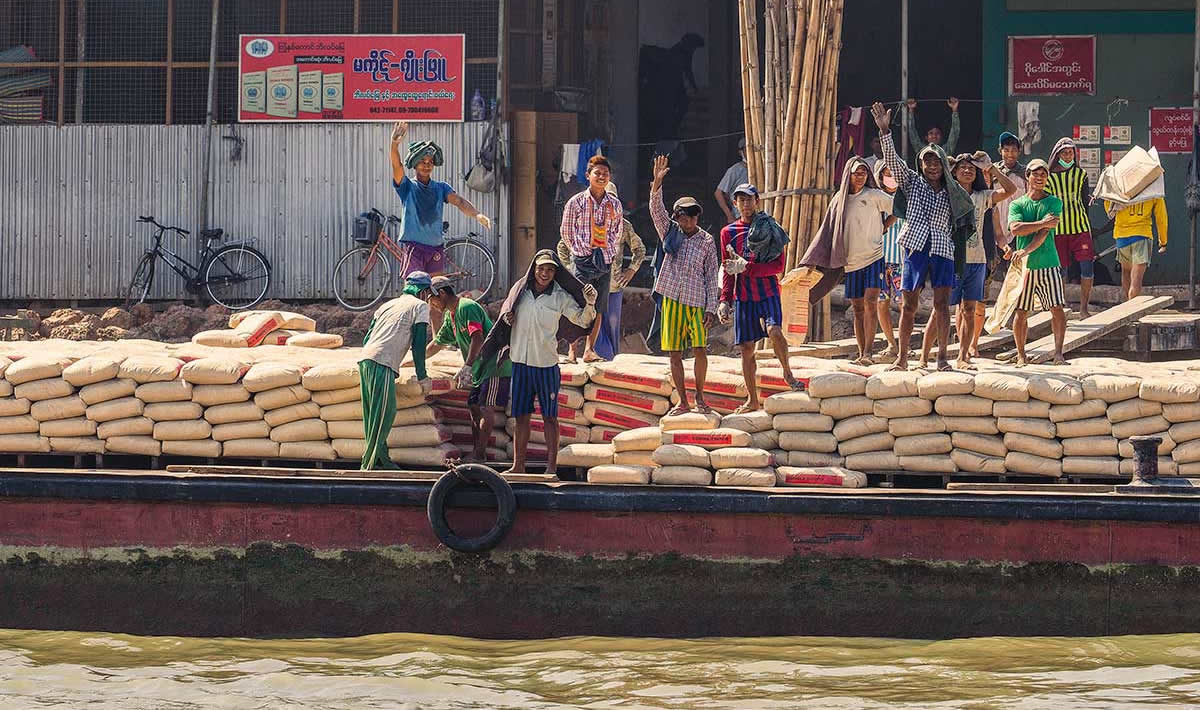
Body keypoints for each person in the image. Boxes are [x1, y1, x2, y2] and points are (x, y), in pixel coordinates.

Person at [871, 101, 976, 372]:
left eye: (936, 161)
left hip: (942, 248)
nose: (932, 166)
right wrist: (885, 132)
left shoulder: (953, 192)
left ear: (943, 164)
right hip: (915, 246)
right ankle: (902, 358)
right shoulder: (912, 182)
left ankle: (942, 358)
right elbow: (893, 162)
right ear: (921, 164)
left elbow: (966, 216)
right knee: (909, 305)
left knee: (942, 305)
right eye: (927, 161)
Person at [499, 250, 597, 475]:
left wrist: (590, 304)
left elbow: (582, 320)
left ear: (555, 273)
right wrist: (507, 318)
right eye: (541, 268)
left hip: (546, 366)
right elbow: (506, 310)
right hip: (520, 363)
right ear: (533, 269)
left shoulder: (560, 297)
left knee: (550, 418)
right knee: (521, 417)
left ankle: (551, 467)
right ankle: (518, 466)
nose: (545, 273)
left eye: (550, 270)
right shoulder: (520, 292)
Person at [917, 153, 1017, 369]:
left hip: (977, 259)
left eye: (971, 168)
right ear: (954, 172)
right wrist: (945, 165)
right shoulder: (947, 193)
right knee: (940, 308)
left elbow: (1011, 190)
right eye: (962, 167)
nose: (967, 170)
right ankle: (924, 357)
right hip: (951, 258)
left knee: (969, 309)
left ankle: (963, 357)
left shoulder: (983, 196)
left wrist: (991, 168)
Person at [800, 157, 895, 365]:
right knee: (858, 309)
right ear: (848, 175)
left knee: (871, 302)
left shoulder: (873, 195)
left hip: (874, 257)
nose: (860, 177)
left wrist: (884, 226)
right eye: (856, 173)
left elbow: (899, 208)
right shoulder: (838, 200)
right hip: (851, 262)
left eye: (863, 173)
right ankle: (862, 353)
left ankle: (868, 353)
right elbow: (826, 231)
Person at [717, 183, 804, 411]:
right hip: (744, 296)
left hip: (767, 291)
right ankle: (752, 400)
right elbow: (728, 269)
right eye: (741, 200)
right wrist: (725, 300)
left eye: (749, 199)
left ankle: (787, 372)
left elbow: (778, 266)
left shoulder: (770, 227)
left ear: (757, 201)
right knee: (747, 349)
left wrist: (748, 267)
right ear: (735, 203)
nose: (746, 204)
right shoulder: (728, 233)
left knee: (774, 331)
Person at [649, 154, 721, 415]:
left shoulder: (706, 241)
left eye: (692, 216)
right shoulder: (669, 232)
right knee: (675, 353)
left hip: (696, 303)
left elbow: (711, 276)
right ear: (677, 218)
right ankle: (683, 400)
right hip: (671, 299)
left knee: (700, 349)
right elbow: (656, 210)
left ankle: (700, 396)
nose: (688, 221)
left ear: (697, 217)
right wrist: (657, 183)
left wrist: (711, 307)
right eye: (683, 217)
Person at [388, 121, 491, 278]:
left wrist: (477, 214)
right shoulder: (407, 187)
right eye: (422, 162)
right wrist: (394, 145)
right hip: (414, 248)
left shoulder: (440, 188)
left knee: (437, 288)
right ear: (415, 164)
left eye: (430, 162)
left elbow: (460, 202)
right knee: (414, 288)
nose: (427, 165)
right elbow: (397, 167)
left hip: (436, 248)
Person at [424, 277, 511, 462]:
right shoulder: (451, 315)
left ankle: (479, 455)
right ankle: (478, 451)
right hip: (479, 369)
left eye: (432, 300)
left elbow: (477, 337)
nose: (432, 305)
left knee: (485, 407)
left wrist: (468, 366)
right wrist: (414, 360)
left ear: (442, 293)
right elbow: (438, 343)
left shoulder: (467, 307)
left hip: (494, 365)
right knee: (473, 406)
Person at [558, 181, 646, 360]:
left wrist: (631, 270)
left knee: (611, 324)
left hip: (613, 284)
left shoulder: (623, 226)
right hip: (586, 279)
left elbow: (639, 249)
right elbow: (562, 245)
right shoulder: (584, 221)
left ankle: (608, 358)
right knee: (579, 313)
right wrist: (571, 268)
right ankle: (575, 352)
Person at [357, 272, 435, 470]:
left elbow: (367, 337)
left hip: (366, 359)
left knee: (373, 415)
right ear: (423, 291)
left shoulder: (387, 305)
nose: (428, 298)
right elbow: (419, 344)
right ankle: (368, 465)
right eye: (428, 293)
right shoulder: (420, 306)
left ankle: (382, 459)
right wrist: (423, 376)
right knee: (385, 413)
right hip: (382, 363)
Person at [560, 154, 624, 362]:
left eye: (605, 173)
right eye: (597, 173)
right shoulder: (576, 202)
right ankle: (572, 351)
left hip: (604, 261)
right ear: (588, 175)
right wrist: (579, 251)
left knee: (599, 307)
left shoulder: (614, 204)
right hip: (582, 261)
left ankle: (589, 350)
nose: (602, 177)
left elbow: (617, 231)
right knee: (577, 303)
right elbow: (566, 232)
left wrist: (609, 252)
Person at [1006, 159, 1068, 366]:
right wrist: (1041, 223)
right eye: (1035, 174)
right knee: (1021, 311)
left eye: (1043, 174)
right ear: (1028, 176)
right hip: (1024, 267)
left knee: (1056, 308)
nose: (1039, 178)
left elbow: (1043, 234)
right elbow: (1016, 229)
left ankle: (1058, 353)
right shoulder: (1017, 204)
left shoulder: (1054, 202)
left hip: (1049, 262)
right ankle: (1021, 355)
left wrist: (1025, 249)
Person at [1044, 137, 1096, 318]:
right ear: (1057, 155)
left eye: (1070, 152)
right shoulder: (1048, 178)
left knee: (1087, 267)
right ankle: (1062, 308)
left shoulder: (1081, 174)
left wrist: (1088, 226)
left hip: (1080, 228)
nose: (1068, 156)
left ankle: (1084, 309)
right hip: (1058, 230)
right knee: (1060, 271)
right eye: (1064, 153)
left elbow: (1084, 201)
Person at [874, 161, 905, 362]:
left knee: (904, 304)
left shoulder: (907, 197)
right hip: (879, 258)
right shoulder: (875, 198)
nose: (891, 177)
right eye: (887, 174)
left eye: (894, 173)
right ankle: (891, 344)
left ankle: (904, 346)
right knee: (881, 302)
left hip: (902, 259)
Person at [714, 138, 750, 223]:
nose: (749, 152)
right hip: (740, 215)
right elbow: (718, 193)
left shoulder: (762, 167)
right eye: (746, 149)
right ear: (741, 152)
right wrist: (729, 215)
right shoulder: (734, 170)